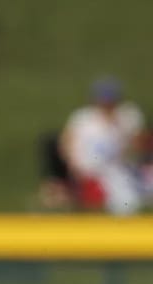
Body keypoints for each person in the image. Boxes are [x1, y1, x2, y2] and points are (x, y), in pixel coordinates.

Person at [58, 76, 145, 214]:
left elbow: (138, 143)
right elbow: (66, 142)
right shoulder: (82, 117)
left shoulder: (127, 115)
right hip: (87, 170)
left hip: (118, 168)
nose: (106, 104)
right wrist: (72, 165)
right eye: (103, 99)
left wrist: (117, 126)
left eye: (109, 100)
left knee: (126, 200)